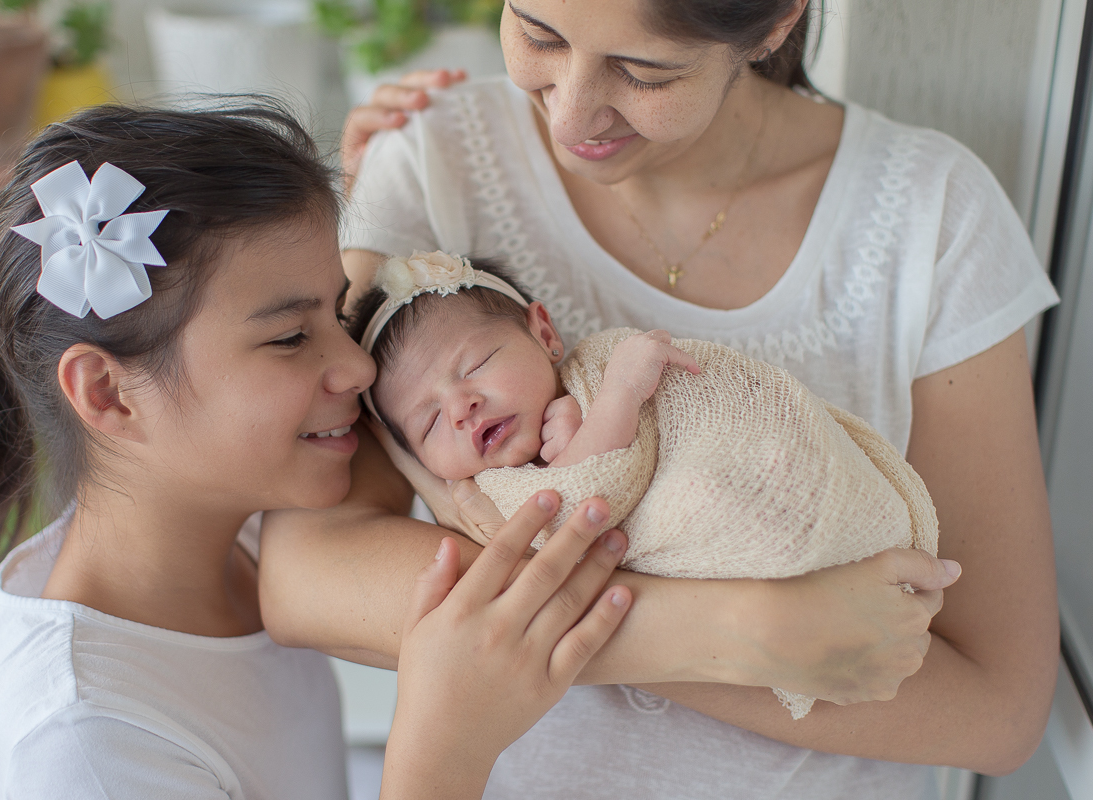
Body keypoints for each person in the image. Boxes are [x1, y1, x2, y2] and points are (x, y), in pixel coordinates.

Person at [258, 0, 1060, 795]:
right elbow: (308, 579)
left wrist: (559, 612)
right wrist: (739, 633)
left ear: (779, 20)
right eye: (538, 34)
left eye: (645, 71)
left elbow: (999, 708)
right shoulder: (434, 164)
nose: (572, 110)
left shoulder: (930, 213)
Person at [0, 101, 638, 800]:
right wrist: (443, 751)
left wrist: (396, 159)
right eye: (290, 338)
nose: (357, 368)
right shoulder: (87, 743)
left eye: (337, 314)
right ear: (108, 393)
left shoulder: (242, 525)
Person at [351, 250, 941, 720]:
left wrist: (607, 395)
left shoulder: (595, 364)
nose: (461, 407)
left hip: (753, 465)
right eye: (429, 422)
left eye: (476, 365)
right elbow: (575, 514)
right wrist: (619, 399)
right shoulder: (497, 491)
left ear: (546, 335)